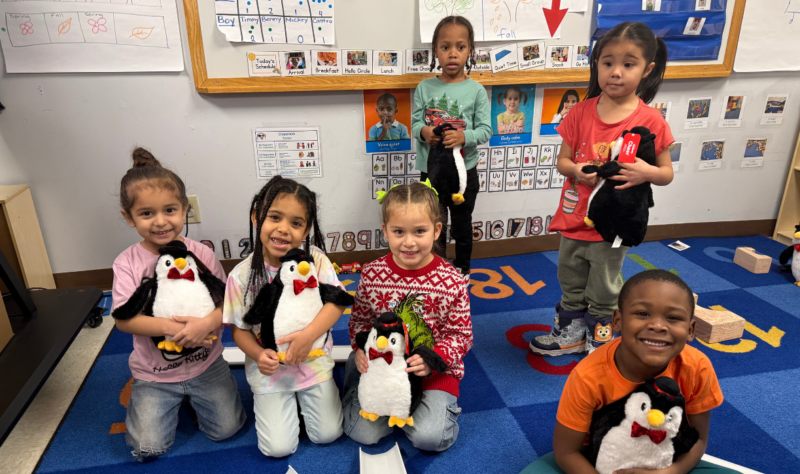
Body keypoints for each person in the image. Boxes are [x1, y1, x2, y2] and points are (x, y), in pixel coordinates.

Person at [530, 22, 675, 357]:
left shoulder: (651, 120)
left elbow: (666, 173)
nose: (616, 72)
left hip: (613, 223)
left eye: (629, 64)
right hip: (574, 216)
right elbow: (562, 162)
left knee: (605, 284)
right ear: (596, 64)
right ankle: (570, 334)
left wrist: (646, 172)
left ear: (647, 69)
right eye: (608, 62)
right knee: (570, 277)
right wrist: (576, 170)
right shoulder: (580, 112)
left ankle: (601, 339)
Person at [521, 270, 737, 474]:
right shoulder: (587, 376)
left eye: (673, 318)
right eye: (643, 313)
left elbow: (699, 440)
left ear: (690, 330)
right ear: (617, 321)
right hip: (599, 457)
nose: (658, 326)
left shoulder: (697, 367)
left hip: (666, 455)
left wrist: (672, 471)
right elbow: (567, 452)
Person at [111, 147, 245, 462]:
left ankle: (197, 398)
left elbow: (227, 302)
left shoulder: (203, 254)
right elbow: (123, 320)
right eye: (146, 214)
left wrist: (206, 324)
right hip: (154, 374)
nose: (160, 222)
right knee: (146, 448)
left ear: (185, 209)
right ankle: (157, 402)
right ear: (129, 217)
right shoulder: (127, 263)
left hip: (206, 365)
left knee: (228, 430)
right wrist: (170, 328)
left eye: (170, 210)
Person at [342, 182, 473, 452]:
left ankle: (419, 410)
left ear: (437, 230)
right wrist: (359, 348)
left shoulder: (452, 280)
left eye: (420, 231)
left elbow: (461, 336)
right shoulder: (371, 273)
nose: (409, 242)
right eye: (399, 231)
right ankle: (363, 386)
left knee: (430, 439)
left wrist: (432, 360)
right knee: (362, 433)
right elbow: (360, 322)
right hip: (382, 367)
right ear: (385, 231)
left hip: (432, 374)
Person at [223, 176, 346, 457]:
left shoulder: (315, 260)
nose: (283, 229)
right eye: (275, 217)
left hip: (313, 363)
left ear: (307, 229)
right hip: (272, 373)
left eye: (296, 223)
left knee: (328, 435)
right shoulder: (241, 276)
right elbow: (239, 330)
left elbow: (336, 303)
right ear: (257, 217)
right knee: (278, 449)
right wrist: (258, 354)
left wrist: (308, 337)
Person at [411, 15, 492, 278]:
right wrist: (424, 132)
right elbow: (414, 125)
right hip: (431, 172)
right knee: (434, 222)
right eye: (445, 47)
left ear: (470, 51)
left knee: (461, 223)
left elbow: (486, 130)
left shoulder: (476, 90)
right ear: (435, 51)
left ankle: (463, 268)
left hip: (464, 173)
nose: (453, 54)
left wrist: (463, 137)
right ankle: (438, 268)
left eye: (460, 47)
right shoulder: (424, 87)